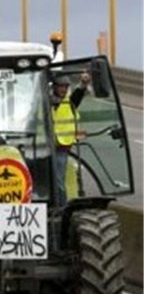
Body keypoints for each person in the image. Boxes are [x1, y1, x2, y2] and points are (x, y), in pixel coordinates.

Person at [51, 72, 90, 207]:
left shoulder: (70, 103)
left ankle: (61, 207)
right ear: (54, 87)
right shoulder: (46, 101)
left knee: (58, 180)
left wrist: (84, 83)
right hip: (43, 147)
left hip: (62, 147)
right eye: (60, 86)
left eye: (65, 87)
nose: (63, 89)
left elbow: (78, 94)